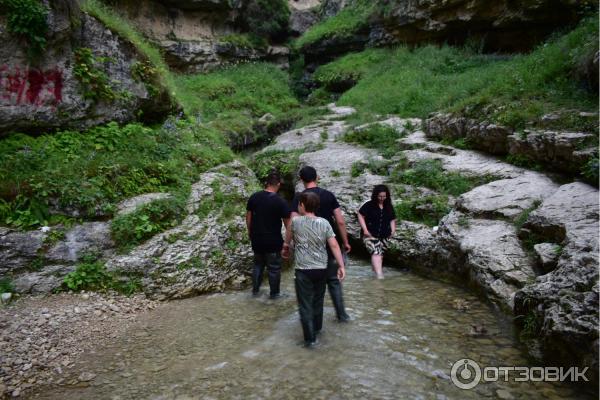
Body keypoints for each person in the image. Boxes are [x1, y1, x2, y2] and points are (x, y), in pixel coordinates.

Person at [283, 191, 346, 347]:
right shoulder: (324, 222)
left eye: (299, 204)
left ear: (303, 205)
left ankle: (310, 341)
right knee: (318, 302)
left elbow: (288, 240)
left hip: (303, 270)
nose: (298, 206)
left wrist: (285, 247)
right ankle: (317, 330)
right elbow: (334, 245)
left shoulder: (295, 222)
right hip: (321, 269)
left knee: (305, 305)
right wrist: (341, 265)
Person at [290, 166, 351, 322]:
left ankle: (311, 323)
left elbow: (293, 223)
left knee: (312, 290)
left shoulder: (299, 198)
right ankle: (342, 315)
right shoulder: (328, 195)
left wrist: (288, 245)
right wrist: (345, 242)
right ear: (317, 177)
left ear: (301, 180)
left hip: (309, 253)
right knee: (334, 281)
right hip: (329, 246)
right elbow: (340, 221)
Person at [246, 172, 291, 299]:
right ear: (278, 184)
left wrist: (250, 232)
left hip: (257, 238)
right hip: (273, 240)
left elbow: (248, 217)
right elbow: (288, 225)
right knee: (274, 268)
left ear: (266, 183)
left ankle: (255, 292)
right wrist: (289, 242)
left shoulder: (254, 197)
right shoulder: (280, 201)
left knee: (258, 264)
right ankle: (275, 295)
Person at [357, 184, 397, 279]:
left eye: (384, 196)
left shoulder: (389, 206)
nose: (382, 198)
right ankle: (380, 276)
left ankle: (374, 275)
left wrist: (393, 230)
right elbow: (360, 215)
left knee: (380, 255)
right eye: (380, 196)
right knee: (376, 252)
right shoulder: (369, 205)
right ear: (375, 195)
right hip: (369, 234)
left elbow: (392, 219)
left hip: (385, 235)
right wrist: (365, 230)